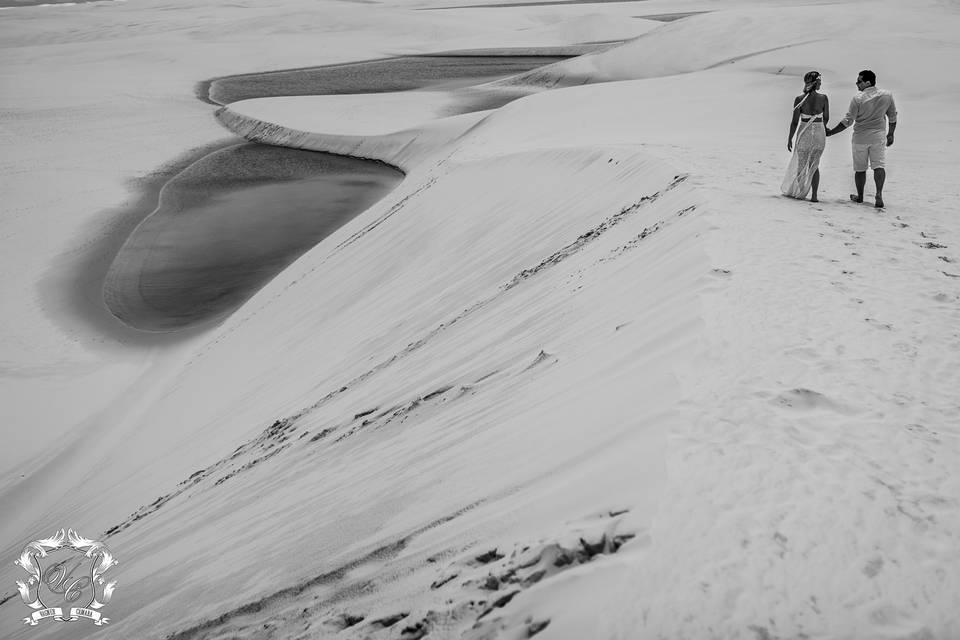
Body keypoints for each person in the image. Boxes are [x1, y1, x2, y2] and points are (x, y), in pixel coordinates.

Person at [826, 69, 898, 208]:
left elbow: (848, 121)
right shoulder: (887, 95)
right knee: (879, 165)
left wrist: (831, 133)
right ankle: (879, 194)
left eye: (859, 81)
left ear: (867, 82)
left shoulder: (858, 98)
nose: (856, 83)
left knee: (860, 169)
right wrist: (891, 134)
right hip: (878, 136)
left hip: (860, 138)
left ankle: (860, 196)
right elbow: (893, 117)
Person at [782, 71, 829, 202]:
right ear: (816, 83)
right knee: (814, 165)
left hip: (804, 132)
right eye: (819, 82)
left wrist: (790, 138)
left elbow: (795, 122)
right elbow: (826, 118)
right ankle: (814, 196)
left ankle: (802, 192)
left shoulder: (799, 99)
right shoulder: (823, 98)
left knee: (801, 164)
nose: (820, 84)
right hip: (819, 132)